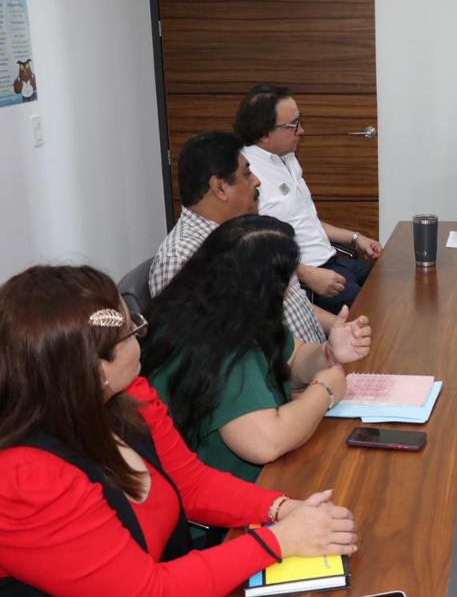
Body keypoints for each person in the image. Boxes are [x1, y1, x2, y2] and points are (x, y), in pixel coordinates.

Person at [0, 265, 358, 596]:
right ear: (94, 371)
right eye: (132, 331)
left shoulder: (128, 397)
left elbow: (192, 484)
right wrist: (280, 541)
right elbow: (148, 591)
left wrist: (282, 508)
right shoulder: (26, 482)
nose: (142, 333)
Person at [143, 215, 371, 488]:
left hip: (266, 477)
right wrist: (325, 390)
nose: (289, 292)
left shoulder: (232, 311)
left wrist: (327, 352)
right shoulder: (216, 345)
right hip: (231, 499)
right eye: (286, 282)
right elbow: (266, 442)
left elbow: (294, 358)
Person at [149, 131, 330, 342]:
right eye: (247, 174)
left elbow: (293, 305)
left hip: (318, 354)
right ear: (220, 187)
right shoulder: (181, 259)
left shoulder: (248, 232)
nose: (257, 181)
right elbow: (204, 348)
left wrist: (339, 327)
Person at [234, 84, 383, 314]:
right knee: (379, 312)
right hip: (307, 279)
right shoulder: (246, 173)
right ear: (264, 133)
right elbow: (249, 246)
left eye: (299, 120)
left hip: (332, 260)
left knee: (390, 282)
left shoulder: (287, 158)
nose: (301, 130)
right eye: (293, 125)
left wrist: (355, 238)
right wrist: (306, 274)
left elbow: (305, 219)